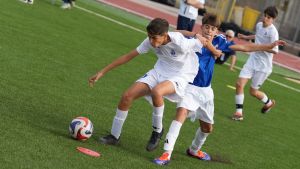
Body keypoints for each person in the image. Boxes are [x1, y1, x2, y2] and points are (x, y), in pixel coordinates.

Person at [152, 14, 286, 165]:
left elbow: (244, 47)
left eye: (213, 28)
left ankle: (194, 150)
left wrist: (268, 46)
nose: (209, 30)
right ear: (201, 27)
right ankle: (166, 153)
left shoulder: (220, 41)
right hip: (189, 87)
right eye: (207, 27)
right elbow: (175, 34)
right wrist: (189, 34)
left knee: (207, 128)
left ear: (216, 31)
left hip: (206, 91)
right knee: (181, 114)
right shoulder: (190, 41)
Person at [89, 18, 217, 152]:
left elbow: (204, 41)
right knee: (127, 96)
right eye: (149, 37)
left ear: (165, 35)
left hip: (181, 75)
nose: (151, 41)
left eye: (154, 38)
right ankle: (114, 136)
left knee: (157, 92)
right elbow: (128, 56)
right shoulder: (150, 41)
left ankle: (157, 131)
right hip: (159, 71)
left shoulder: (181, 42)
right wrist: (102, 72)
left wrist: (215, 51)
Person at [232, 6, 279, 121]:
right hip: (252, 60)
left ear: (273, 19)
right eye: (265, 15)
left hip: (263, 66)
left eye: (269, 17)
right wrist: (246, 37)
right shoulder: (259, 25)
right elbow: (258, 36)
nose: (266, 19)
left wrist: (259, 47)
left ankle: (268, 102)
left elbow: (275, 50)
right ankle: (239, 113)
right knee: (239, 84)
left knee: (253, 92)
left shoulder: (273, 32)